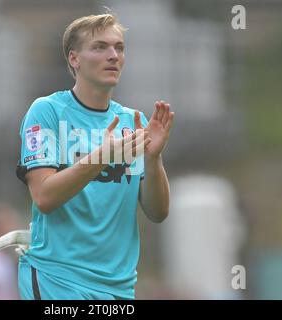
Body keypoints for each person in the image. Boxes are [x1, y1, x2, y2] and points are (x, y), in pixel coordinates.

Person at [16, 13, 174, 300]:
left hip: (119, 287)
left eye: (119, 47)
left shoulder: (134, 121)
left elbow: (157, 212)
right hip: (58, 279)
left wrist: (153, 160)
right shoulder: (46, 112)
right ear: (74, 59)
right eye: (100, 47)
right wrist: (102, 156)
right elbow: (44, 197)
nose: (113, 55)